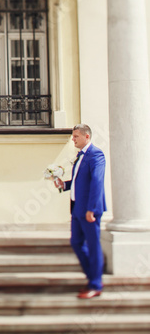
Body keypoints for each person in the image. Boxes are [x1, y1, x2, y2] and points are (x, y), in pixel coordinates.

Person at [57, 124, 106, 299]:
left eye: (76, 136)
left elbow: (97, 182)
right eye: (73, 136)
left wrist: (92, 208)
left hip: (89, 210)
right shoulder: (79, 157)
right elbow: (79, 181)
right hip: (77, 208)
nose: (73, 139)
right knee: (76, 243)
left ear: (86, 137)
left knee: (93, 247)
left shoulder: (96, 155)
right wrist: (64, 185)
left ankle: (95, 284)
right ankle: (92, 274)